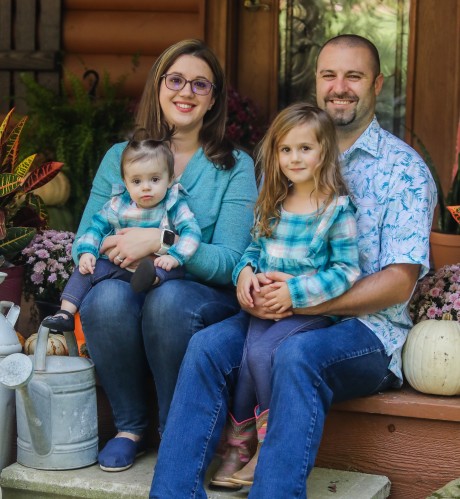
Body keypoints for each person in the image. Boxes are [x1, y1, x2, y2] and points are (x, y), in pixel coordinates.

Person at [150, 34, 436, 498]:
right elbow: (254, 243)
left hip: (365, 333)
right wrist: (245, 277)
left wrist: (297, 303)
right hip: (273, 315)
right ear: (316, 83)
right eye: (329, 75)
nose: (339, 86)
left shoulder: (403, 170)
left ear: (377, 84)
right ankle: (173, 492)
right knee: (205, 346)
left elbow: (399, 283)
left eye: (354, 76)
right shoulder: (288, 157)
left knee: (297, 355)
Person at [74, 39, 258, 472]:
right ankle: (130, 428)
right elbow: (87, 235)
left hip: (200, 293)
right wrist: (116, 246)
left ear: (213, 99)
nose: (186, 92)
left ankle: (178, 433)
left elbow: (231, 260)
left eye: (200, 84)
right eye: (175, 80)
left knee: (168, 303)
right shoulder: (119, 158)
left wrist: (159, 240)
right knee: (104, 300)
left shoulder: (234, 166)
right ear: (158, 87)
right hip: (126, 281)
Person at [210, 103, 361, 490]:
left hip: (310, 309)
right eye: (286, 149)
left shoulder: (335, 208)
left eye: (305, 148)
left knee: (263, 355)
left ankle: (267, 447)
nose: (295, 158)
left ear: (324, 151)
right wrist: (244, 274)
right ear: (275, 154)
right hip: (267, 307)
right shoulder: (274, 201)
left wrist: (294, 292)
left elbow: (346, 270)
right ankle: (239, 443)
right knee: (247, 361)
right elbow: (254, 252)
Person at [42, 130, 201, 332]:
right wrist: (87, 252)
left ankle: (150, 279)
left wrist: (176, 257)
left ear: (169, 180)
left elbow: (192, 232)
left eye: (154, 179)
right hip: (121, 267)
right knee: (88, 269)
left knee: (172, 271)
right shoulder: (118, 204)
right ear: (125, 183)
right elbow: (95, 228)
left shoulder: (173, 203)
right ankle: (65, 313)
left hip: (157, 264)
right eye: (136, 181)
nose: (146, 188)